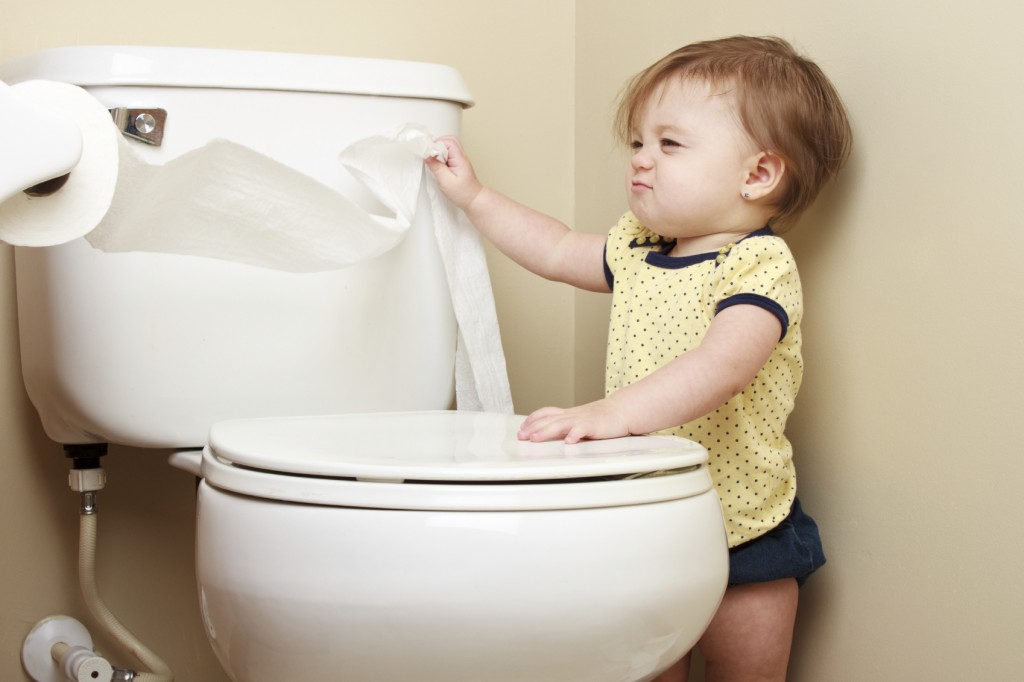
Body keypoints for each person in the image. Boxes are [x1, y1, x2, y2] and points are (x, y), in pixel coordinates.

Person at [427, 35, 851, 682]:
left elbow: (723, 364)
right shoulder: (638, 249)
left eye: (669, 144)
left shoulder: (756, 264)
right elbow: (556, 246)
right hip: (650, 518)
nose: (642, 161)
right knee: (647, 667)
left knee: (749, 670)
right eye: (637, 143)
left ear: (758, 174)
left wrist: (614, 413)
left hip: (745, 528)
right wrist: (476, 199)